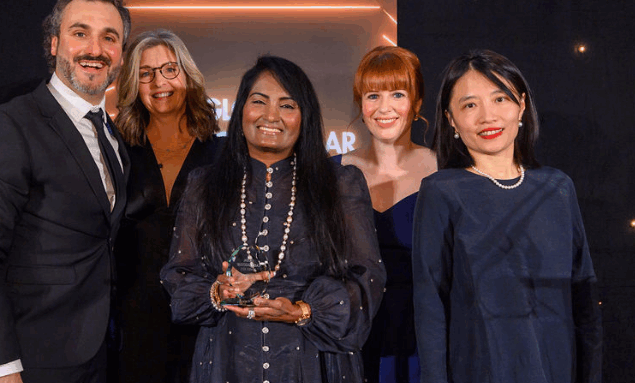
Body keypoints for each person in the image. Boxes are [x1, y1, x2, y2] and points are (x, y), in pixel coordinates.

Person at [160, 55, 386, 383]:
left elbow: (367, 279)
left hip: (313, 360)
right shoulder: (204, 185)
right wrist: (218, 292)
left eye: (287, 105)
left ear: (304, 117)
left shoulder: (340, 184)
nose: (271, 116)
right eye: (259, 101)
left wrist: (304, 310)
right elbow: (178, 275)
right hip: (228, 358)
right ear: (240, 112)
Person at [0, 0, 132, 382]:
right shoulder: (10, 126)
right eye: (80, 33)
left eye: (110, 37)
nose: (95, 49)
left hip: (99, 353)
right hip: (31, 359)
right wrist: (0, 368)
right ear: (53, 44)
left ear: (120, 54)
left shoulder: (113, 137)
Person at [412, 49, 602, 383]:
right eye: (470, 105)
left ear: (522, 106)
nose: (487, 116)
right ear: (451, 119)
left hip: (557, 367)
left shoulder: (557, 187)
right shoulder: (442, 190)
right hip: (480, 369)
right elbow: (430, 306)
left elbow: (584, 299)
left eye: (500, 99)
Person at [109, 28, 223, 383]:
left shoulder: (221, 153)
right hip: (134, 313)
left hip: (207, 311)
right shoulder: (116, 151)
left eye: (169, 69)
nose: (159, 81)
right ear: (133, 84)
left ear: (188, 75)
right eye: (146, 73)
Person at [333, 45, 436, 383]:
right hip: (348, 335)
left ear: (417, 103)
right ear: (361, 105)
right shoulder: (330, 174)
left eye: (397, 93)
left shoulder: (447, 175)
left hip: (422, 337)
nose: (384, 107)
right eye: (373, 95)